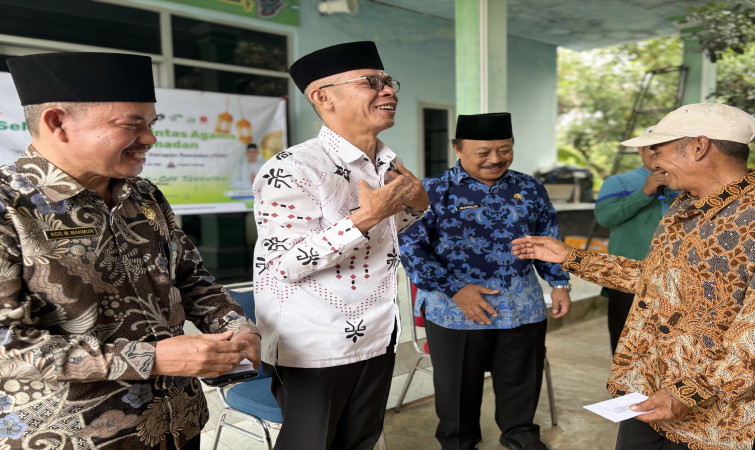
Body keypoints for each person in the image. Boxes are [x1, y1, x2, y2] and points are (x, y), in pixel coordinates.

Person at [512, 103, 755, 450]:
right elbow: (662, 280)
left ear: (699, 147)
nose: (654, 162)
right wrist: (572, 258)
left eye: (658, 150)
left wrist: (689, 392)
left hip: (725, 423)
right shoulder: (685, 208)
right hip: (653, 391)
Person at [0, 52, 261, 450]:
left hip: (180, 422)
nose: (150, 139)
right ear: (57, 123)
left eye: (151, 124)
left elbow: (191, 278)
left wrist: (238, 328)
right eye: (131, 125)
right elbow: (6, 344)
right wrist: (151, 359)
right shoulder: (10, 207)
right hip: (75, 437)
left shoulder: (143, 195)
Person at [252, 41, 428, 449]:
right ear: (323, 97)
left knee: (361, 442)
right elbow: (284, 265)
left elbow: (384, 237)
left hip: (378, 333)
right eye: (372, 82)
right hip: (316, 344)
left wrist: (417, 206)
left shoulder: (386, 163)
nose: (389, 91)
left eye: (388, 82)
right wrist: (365, 217)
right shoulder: (292, 168)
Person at [399, 112, 572, 450]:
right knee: (457, 385)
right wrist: (455, 289)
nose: (495, 159)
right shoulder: (431, 190)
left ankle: (519, 433)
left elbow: (547, 238)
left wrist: (559, 283)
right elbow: (411, 248)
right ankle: (458, 441)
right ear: (457, 149)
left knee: (521, 376)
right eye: (483, 152)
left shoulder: (529, 188)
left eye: (505, 150)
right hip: (455, 308)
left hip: (521, 303)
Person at [594, 127, 678, 354]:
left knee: (669, 346)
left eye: (664, 149)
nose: (657, 155)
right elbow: (604, 217)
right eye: (652, 148)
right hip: (627, 275)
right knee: (626, 345)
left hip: (675, 277)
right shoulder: (617, 182)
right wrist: (644, 192)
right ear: (640, 149)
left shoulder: (685, 183)